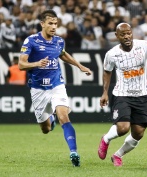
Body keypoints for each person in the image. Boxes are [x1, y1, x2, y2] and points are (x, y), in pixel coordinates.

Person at [18, 10, 92, 167]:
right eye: (50, 23)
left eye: (55, 24)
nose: (53, 27)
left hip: (57, 85)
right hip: (38, 88)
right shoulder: (31, 41)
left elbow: (63, 54)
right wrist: (36, 64)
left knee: (64, 116)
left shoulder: (59, 41)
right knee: (45, 129)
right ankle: (50, 120)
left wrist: (79, 66)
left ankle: (74, 153)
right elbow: (21, 64)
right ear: (42, 24)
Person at [98, 22, 147, 167]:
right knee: (123, 128)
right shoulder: (112, 54)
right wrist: (104, 92)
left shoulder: (144, 45)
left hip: (142, 95)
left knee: (138, 133)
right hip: (122, 94)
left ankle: (118, 155)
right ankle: (106, 139)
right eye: (123, 34)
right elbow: (107, 71)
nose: (127, 36)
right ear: (117, 36)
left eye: (129, 33)